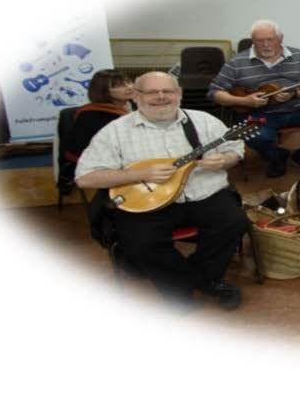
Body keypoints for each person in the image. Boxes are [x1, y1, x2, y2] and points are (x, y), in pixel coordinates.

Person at [75, 72, 248, 310]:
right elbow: (85, 177)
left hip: (203, 193)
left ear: (179, 94)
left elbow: (235, 149)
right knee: (140, 242)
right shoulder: (115, 131)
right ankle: (197, 283)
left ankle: (199, 279)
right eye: (151, 92)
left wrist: (225, 160)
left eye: (167, 91)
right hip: (145, 202)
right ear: (136, 96)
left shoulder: (204, 121)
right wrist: (140, 174)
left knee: (234, 222)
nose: (161, 97)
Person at [209, 20, 300, 178]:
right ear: (252, 40)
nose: (265, 45)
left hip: (299, 109)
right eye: (259, 41)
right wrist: (245, 101)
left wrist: (294, 94)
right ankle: (277, 156)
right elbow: (214, 93)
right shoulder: (237, 63)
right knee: (254, 136)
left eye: (270, 39)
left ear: (280, 39)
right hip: (260, 114)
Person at [60, 70, 135, 185]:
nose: (129, 87)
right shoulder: (92, 115)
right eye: (120, 86)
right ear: (104, 91)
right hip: (98, 165)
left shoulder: (133, 105)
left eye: (129, 82)